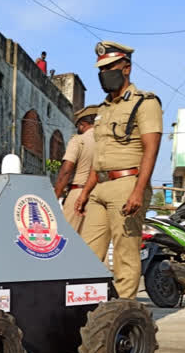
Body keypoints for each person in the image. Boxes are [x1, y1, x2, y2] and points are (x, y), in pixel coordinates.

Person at [74, 42, 162, 300]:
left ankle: (125, 313)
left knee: (125, 254)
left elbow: (151, 149)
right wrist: (84, 193)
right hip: (99, 186)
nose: (104, 73)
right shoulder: (102, 110)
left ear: (126, 68)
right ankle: (89, 310)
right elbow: (99, 158)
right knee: (87, 254)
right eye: (101, 69)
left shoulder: (145, 103)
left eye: (110, 67)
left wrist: (138, 191)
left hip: (127, 184)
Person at [54, 105, 99, 235]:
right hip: (99, 195)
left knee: (67, 239)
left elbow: (66, 171)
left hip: (78, 194)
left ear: (82, 124)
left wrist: (55, 196)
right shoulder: (105, 141)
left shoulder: (79, 140)